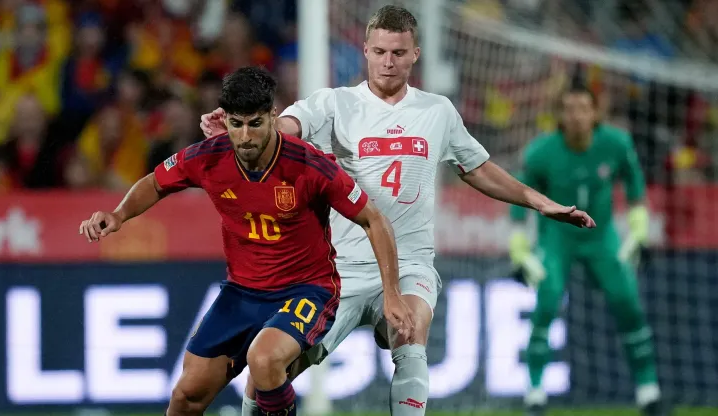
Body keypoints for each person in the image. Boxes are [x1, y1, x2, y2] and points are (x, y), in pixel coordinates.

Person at [200, 6, 595, 415]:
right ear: (366, 51)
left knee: (411, 335)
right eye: (380, 51)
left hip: (410, 264)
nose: (389, 62)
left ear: (415, 54)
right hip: (339, 270)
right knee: (273, 365)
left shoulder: (437, 111)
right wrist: (241, 132)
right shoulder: (335, 104)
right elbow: (285, 128)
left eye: (399, 53)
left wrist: (540, 202)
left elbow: (476, 168)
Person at [78, 66, 415, 416]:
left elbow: (375, 221)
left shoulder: (310, 166)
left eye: (255, 123)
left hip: (305, 290)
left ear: (273, 116)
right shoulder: (209, 157)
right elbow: (156, 182)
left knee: (263, 359)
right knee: (185, 397)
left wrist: (391, 292)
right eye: (237, 124)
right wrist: (118, 215)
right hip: (241, 293)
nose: (245, 136)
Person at [509, 85, 665, 416]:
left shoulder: (617, 144)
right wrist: (519, 247)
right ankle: (535, 395)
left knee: (628, 304)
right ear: (559, 114)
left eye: (583, 108)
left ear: (595, 112)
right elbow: (520, 200)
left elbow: (635, 188)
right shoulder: (540, 153)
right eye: (569, 108)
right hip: (557, 239)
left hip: (602, 238)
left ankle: (649, 393)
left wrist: (639, 231)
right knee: (546, 304)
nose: (576, 115)